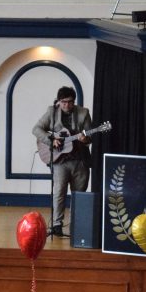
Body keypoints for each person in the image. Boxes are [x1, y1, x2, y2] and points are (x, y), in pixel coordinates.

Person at [32, 85, 93, 236]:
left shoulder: (83, 113)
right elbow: (36, 129)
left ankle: (76, 225)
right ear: (58, 101)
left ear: (74, 101)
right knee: (59, 192)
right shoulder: (51, 112)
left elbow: (89, 138)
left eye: (70, 102)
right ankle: (56, 225)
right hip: (60, 160)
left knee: (79, 194)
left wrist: (85, 139)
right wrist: (51, 140)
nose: (67, 105)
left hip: (80, 160)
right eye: (64, 102)